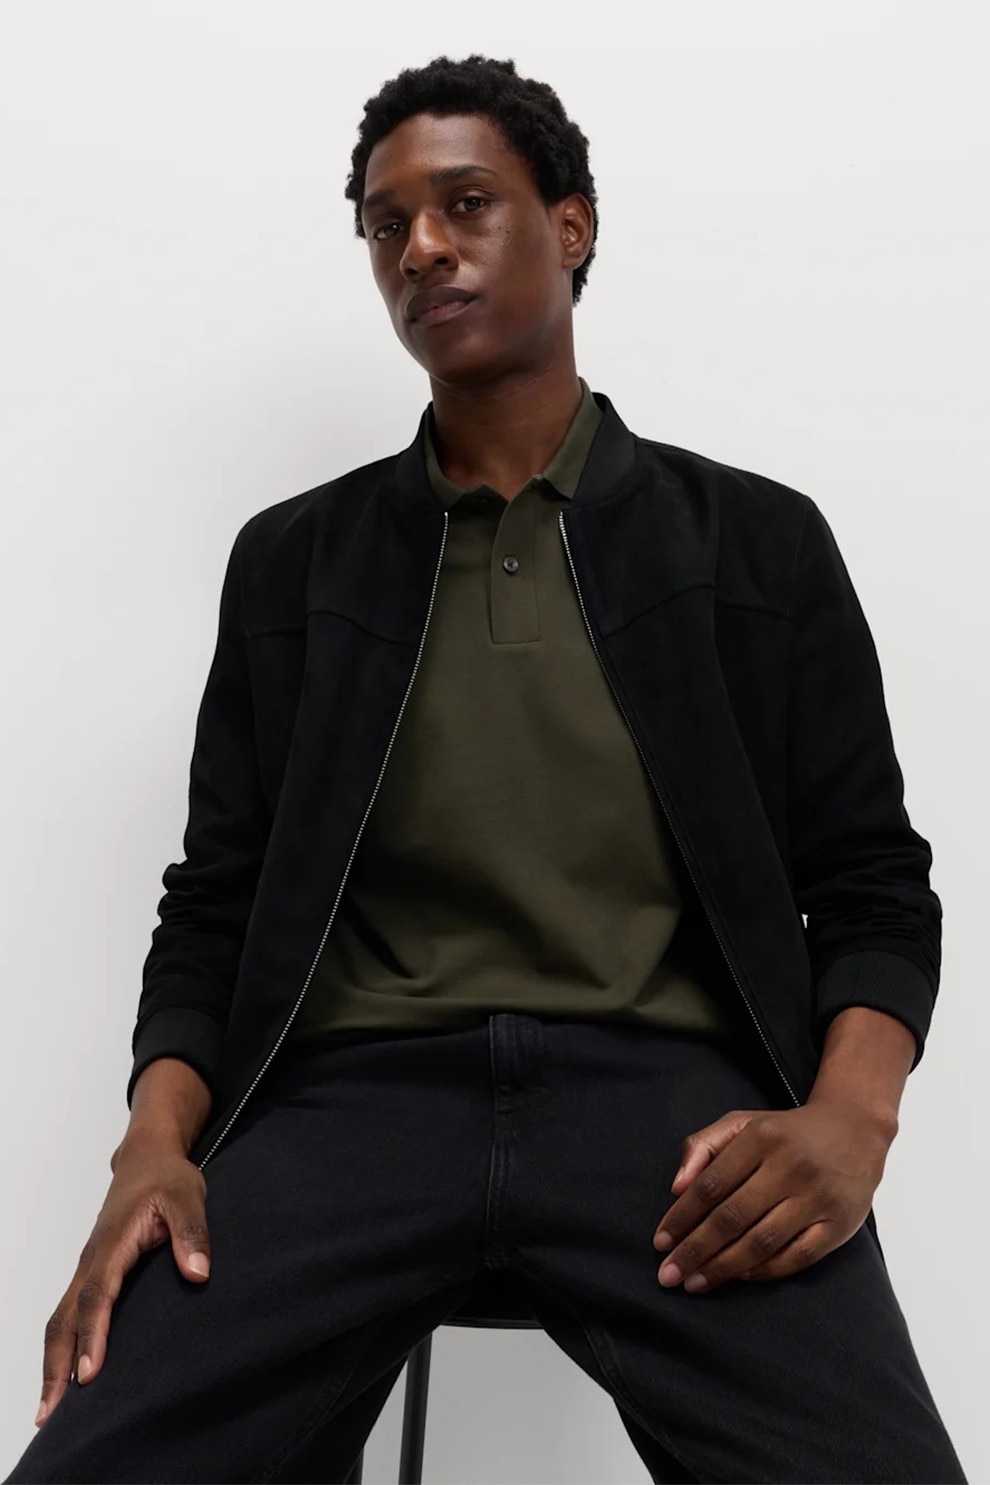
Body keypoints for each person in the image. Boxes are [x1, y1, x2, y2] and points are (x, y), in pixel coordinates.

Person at [4, 52, 967, 1485]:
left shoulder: (752, 543)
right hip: (352, 1107)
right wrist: (151, 1147)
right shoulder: (296, 561)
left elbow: (872, 882)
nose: (422, 248)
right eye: (386, 224)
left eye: (466, 203)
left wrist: (849, 1120)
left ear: (571, 226)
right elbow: (215, 901)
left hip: (669, 1111)